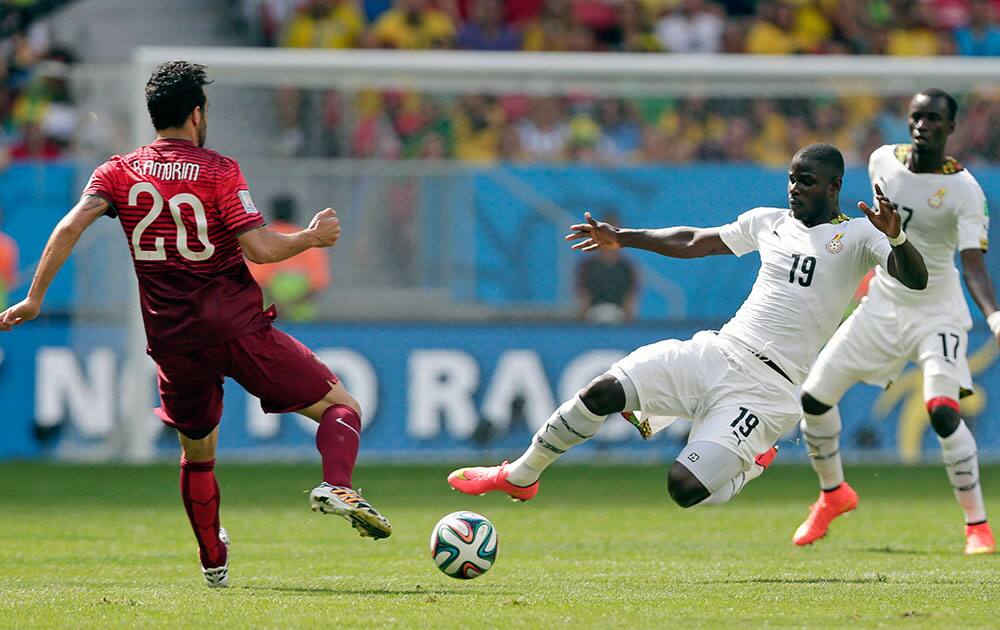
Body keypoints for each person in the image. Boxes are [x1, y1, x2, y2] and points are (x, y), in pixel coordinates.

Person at [0, 61, 392, 588]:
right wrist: (309, 238)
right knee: (342, 406)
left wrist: (33, 297)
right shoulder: (219, 170)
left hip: (173, 341)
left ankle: (213, 560)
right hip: (235, 326)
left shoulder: (117, 171)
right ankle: (337, 485)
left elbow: (70, 225)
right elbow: (258, 247)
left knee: (198, 453)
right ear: (196, 113)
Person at [449, 143, 927, 510]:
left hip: (768, 390)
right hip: (718, 351)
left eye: (807, 181)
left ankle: (749, 463)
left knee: (684, 489)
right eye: (791, 179)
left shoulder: (863, 234)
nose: (794, 189)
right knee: (602, 391)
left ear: (834, 186)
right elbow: (698, 240)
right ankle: (522, 473)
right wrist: (625, 238)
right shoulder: (769, 222)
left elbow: (916, 277)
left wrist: (898, 236)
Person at [792, 89, 997, 555]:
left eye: (933, 119)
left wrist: (994, 314)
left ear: (951, 127)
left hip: (938, 312)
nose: (922, 125)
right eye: (916, 116)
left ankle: (976, 525)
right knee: (813, 399)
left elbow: (974, 265)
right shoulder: (882, 160)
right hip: (883, 304)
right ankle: (832, 495)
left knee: (942, 411)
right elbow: (877, 232)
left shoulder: (965, 192)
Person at [246, 195, 331, 321]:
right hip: (302, 319)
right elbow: (318, 284)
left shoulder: (263, 241)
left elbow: (257, 281)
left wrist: (278, 307)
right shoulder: (310, 241)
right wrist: (292, 306)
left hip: (269, 317)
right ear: (295, 213)